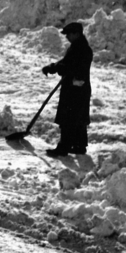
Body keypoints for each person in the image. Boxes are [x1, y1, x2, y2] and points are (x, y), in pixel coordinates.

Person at [41, 22, 93, 156]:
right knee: (78, 118)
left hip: (76, 88)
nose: (67, 37)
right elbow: (66, 63)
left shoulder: (81, 49)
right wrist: (54, 67)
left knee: (68, 118)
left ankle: (64, 147)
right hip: (77, 88)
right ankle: (79, 146)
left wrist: (56, 68)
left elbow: (70, 66)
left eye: (69, 34)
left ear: (76, 34)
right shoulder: (78, 46)